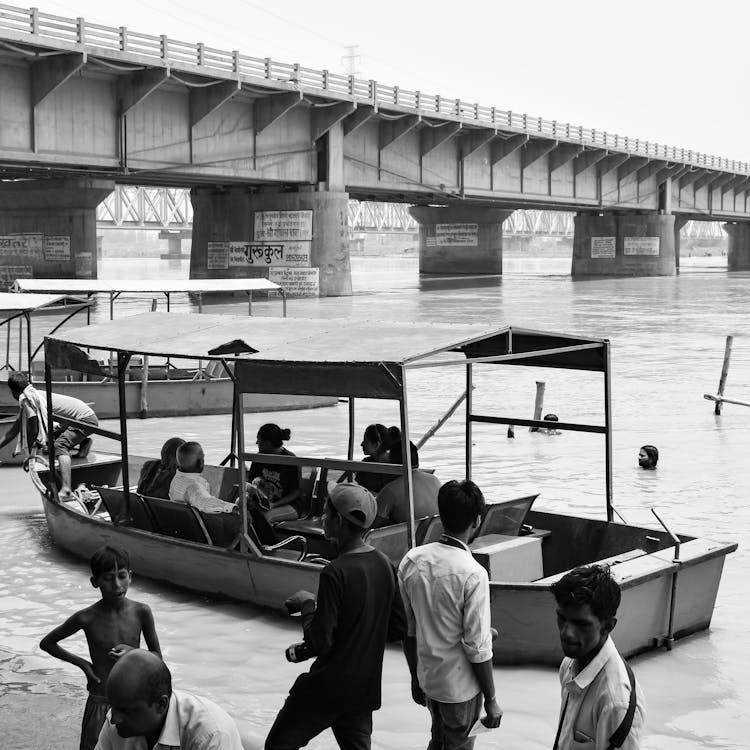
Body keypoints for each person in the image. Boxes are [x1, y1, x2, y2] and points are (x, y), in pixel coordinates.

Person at [265, 483, 406, 750]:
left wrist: (307, 605)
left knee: (277, 747)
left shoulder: (335, 572)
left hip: (326, 689)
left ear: (338, 521)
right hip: (363, 690)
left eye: (326, 514)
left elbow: (320, 642)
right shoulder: (385, 564)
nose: (322, 519)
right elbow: (398, 628)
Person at [398, 480, 502, 749]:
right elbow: (477, 647)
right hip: (459, 690)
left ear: (440, 516)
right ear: (477, 520)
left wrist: (415, 678)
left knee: (440, 739)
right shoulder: (474, 573)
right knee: (455, 744)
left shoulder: (412, 560)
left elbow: (410, 630)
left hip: (429, 679)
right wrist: (491, 699)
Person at [40, 545, 161, 750]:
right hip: (100, 698)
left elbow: (157, 658)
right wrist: (84, 665)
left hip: (134, 698)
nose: (116, 585)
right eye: (107, 578)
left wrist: (134, 653)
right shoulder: (86, 617)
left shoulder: (141, 612)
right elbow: (47, 643)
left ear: (130, 576)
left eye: (122, 576)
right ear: (95, 582)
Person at [551, 564, 645, 750]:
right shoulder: (569, 665)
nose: (567, 633)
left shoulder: (615, 703)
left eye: (581, 624)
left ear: (607, 626)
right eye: (562, 618)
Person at [95, 649, 244, 749]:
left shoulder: (209, 735)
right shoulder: (117, 723)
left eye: (126, 711)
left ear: (161, 704)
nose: (114, 719)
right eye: (112, 706)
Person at [0, 371, 98, 499]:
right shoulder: (33, 395)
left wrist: (30, 452)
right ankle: (84, 442)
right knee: (49, 442)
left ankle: (66, 490)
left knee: (59, 445)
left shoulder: (26, 398)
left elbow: (33, 421)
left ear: (13, 391)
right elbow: (13, 431)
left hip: (84, 420)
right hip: (84, 417)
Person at [372, 440, 441, 527]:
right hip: (433, 535)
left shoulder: (391, 489)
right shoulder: (434, 480)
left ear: (393, 464)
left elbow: (373, 524)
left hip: (409, 538)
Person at [248, 423, 301, 522]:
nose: (256, 443)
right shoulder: (258, 458)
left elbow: (295, 493)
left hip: (290, 505)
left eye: (258, 440)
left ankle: (266, 538)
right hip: (264, 503)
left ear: (267, 443)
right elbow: (250, 482)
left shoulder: (291, 460)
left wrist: (273, 505)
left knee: (265, 517)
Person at [169, 441, 237, 514]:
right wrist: (233, 508)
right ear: (201, 462)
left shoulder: (176, 480)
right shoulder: (193, 486)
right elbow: (204, 501)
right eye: (203, 457)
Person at [353, 423, 395, 495]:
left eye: (365, 441)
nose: (361, 444)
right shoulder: (366, 462)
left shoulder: (394, 467)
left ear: (376, 445)